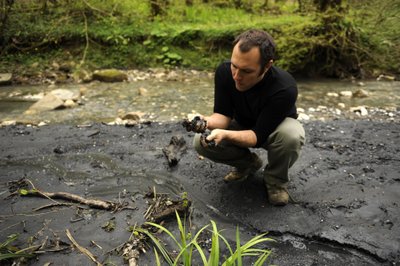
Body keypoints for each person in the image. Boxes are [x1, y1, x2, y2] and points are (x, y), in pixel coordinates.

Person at [188, 29, 305, 206]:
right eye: (234, 66)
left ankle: (275, 181)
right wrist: (204, 122)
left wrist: (225, 135)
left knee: (292, 135)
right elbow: (223, 116)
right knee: (200, 141)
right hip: (242, 123)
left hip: (274, 130)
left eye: (246, 71)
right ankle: (248, 164)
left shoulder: (284, 88)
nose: (236, 76)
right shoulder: (224, 72)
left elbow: (256, 137)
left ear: (266, 66)